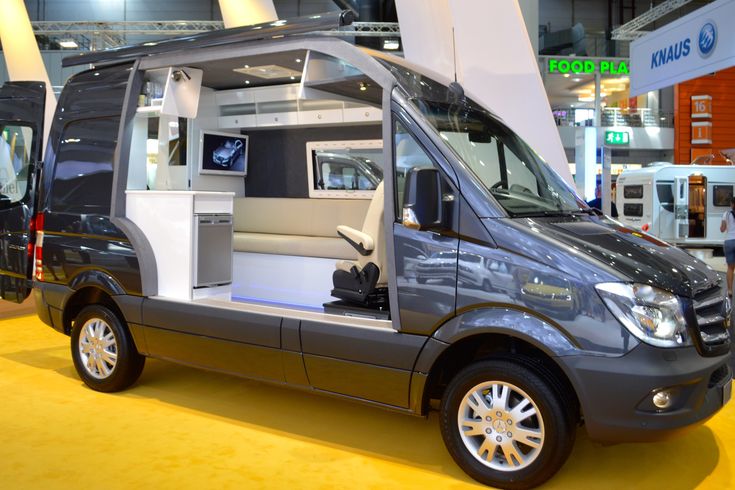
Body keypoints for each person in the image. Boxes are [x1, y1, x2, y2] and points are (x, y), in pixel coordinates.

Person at [720, 197, 735, 296]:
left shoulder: (726, 214)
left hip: (729, 241)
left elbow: (722, 229)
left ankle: (730, 290)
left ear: (732, 204)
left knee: (730, 268)